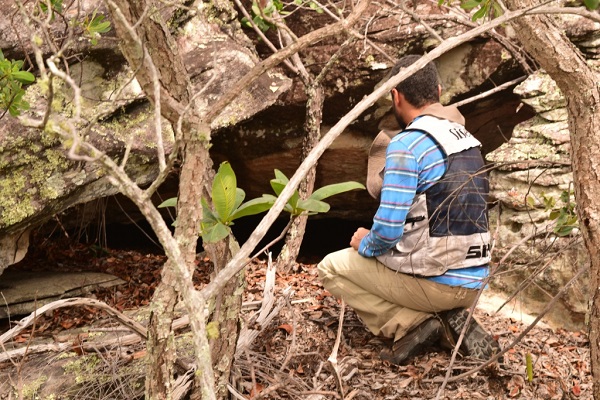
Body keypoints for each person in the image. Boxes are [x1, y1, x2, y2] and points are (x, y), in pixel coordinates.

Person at [318, 55, 501, 365]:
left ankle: (415, 324)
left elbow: (387, 233)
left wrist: (364, 241)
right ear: (440, 91)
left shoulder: (406, 144)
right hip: (475, 281)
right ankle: (448, 319)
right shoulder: (469, 140)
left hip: (438, 283)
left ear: (395, 96)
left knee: (331, 266)